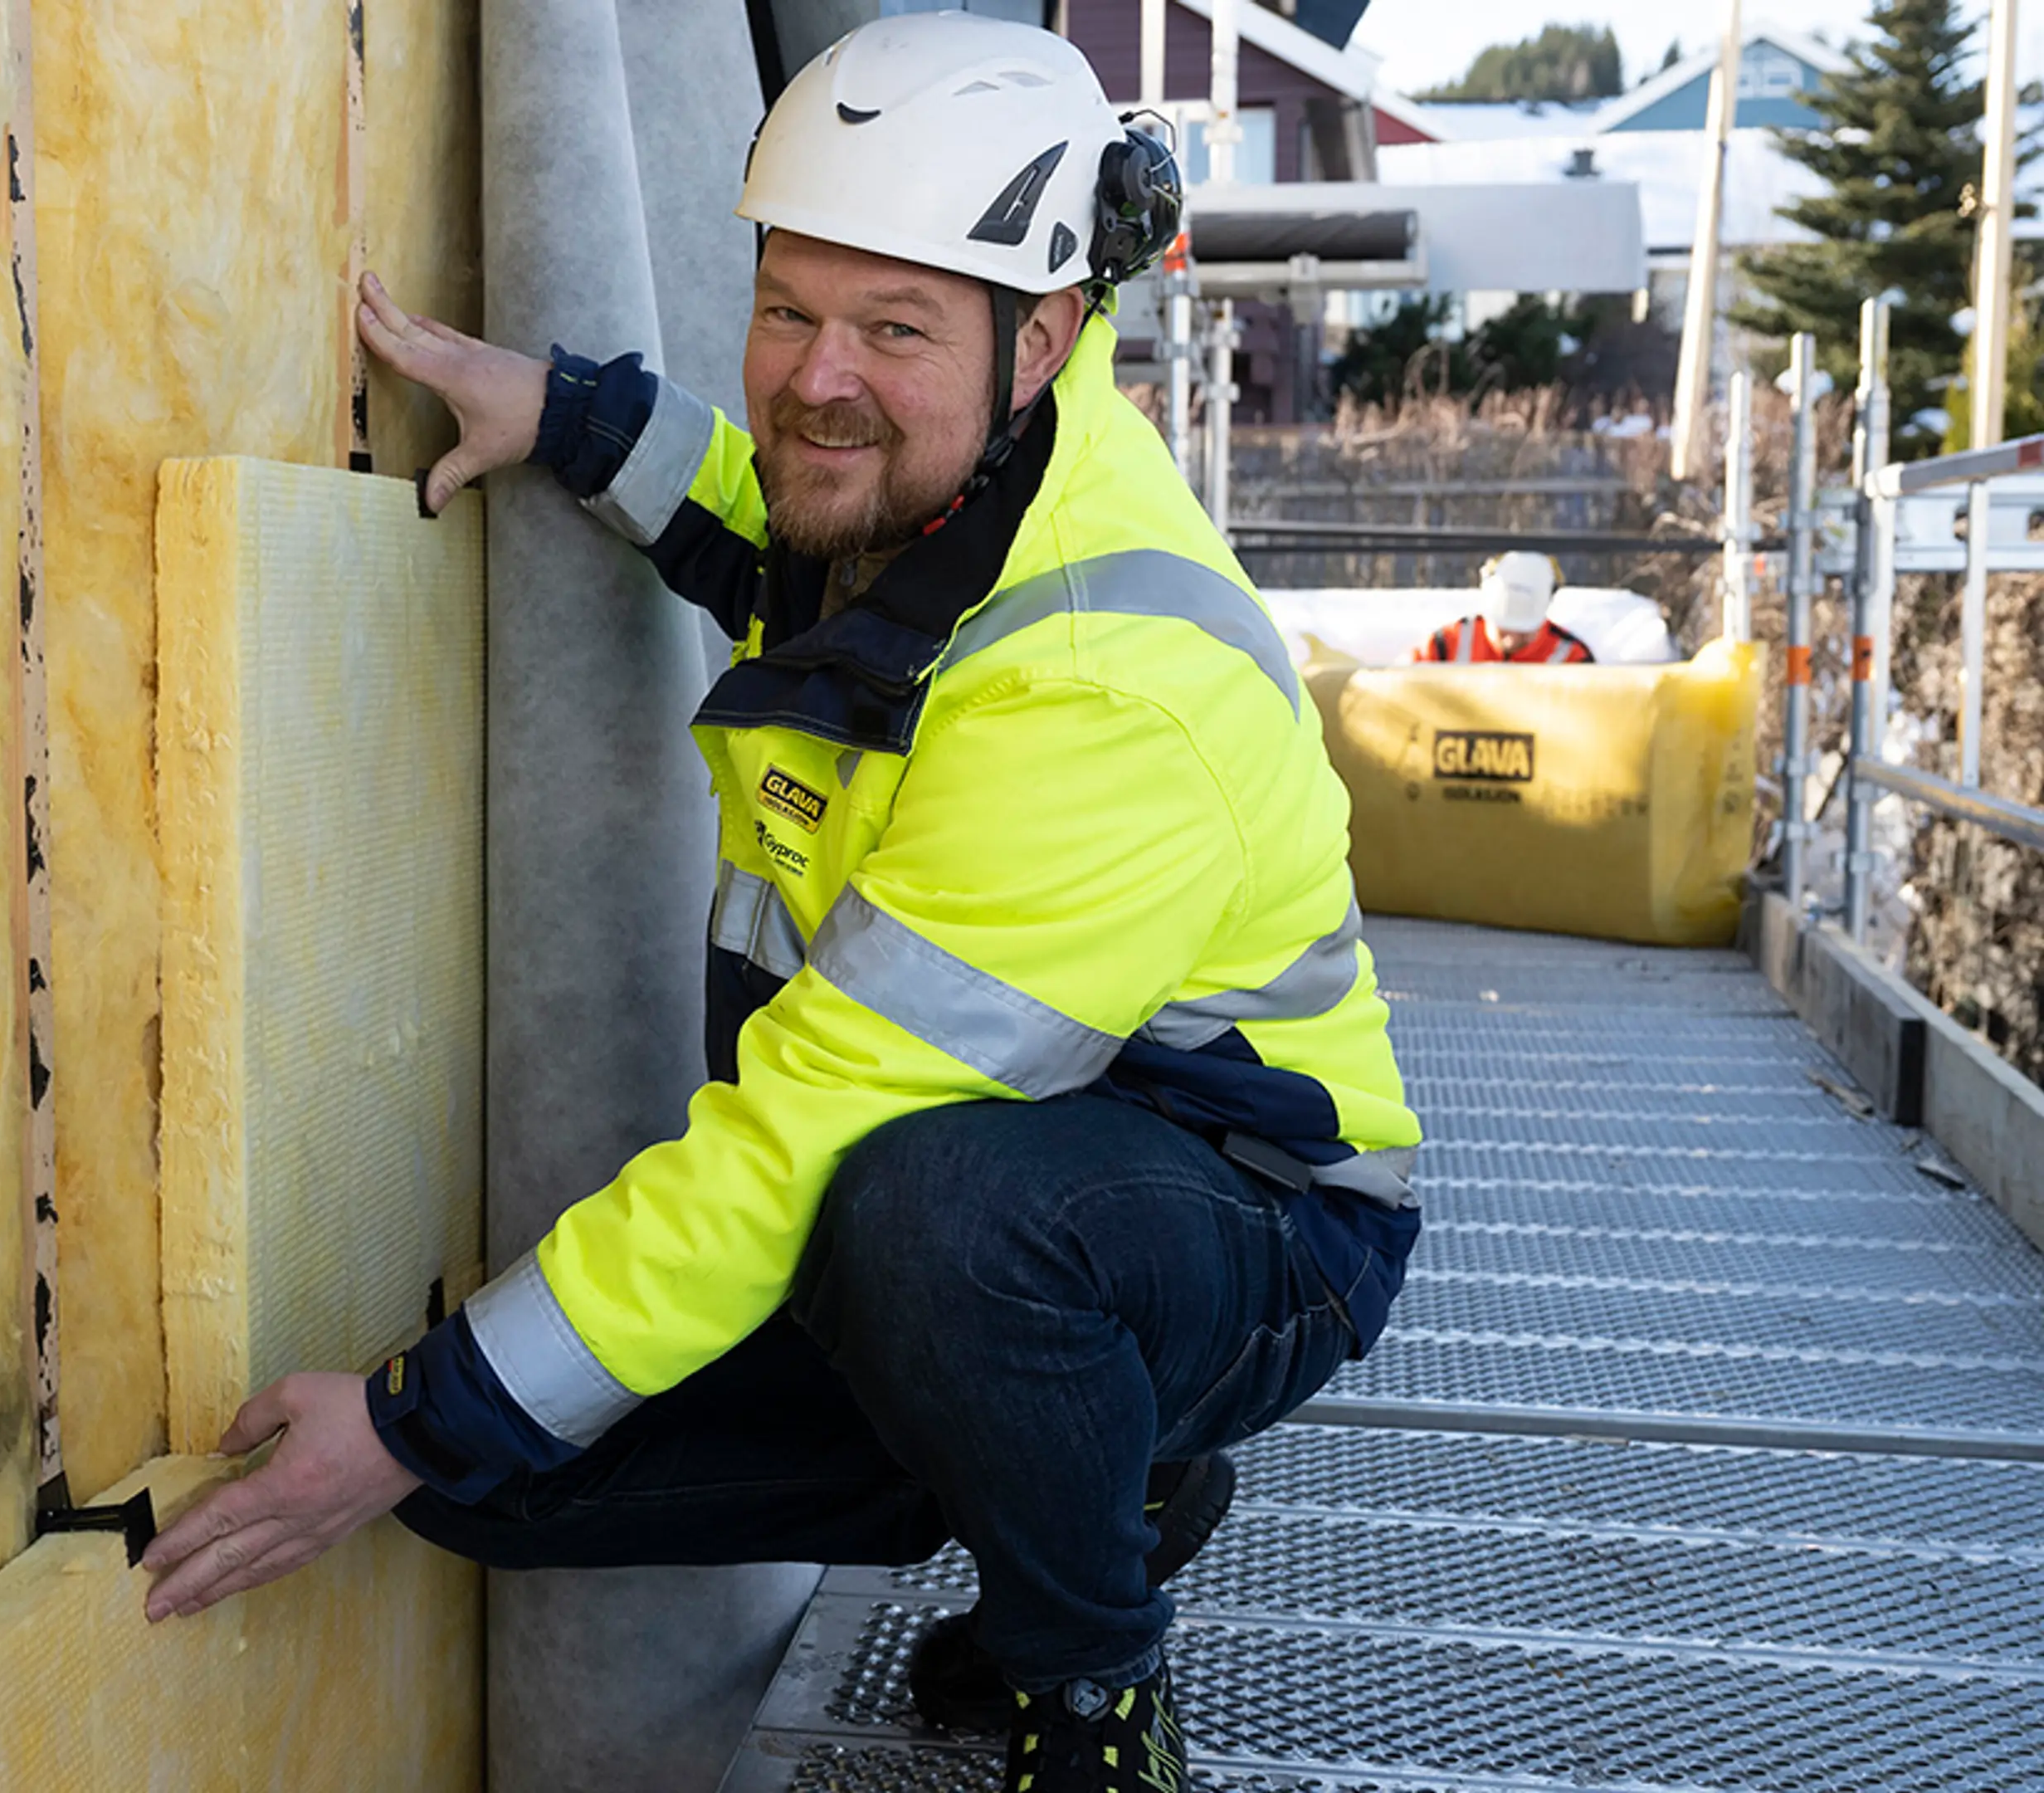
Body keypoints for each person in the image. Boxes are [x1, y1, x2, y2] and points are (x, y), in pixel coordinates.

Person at [136, 17, 1419, 1789]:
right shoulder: (940, 481)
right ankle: (1089, 1464)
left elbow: (808, 1139)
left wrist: (408, 1418)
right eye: (790, 308)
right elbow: (776, 524)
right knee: (507, 1489)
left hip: (1240, 1207)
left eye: (894, 329)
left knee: (924, 1224)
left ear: (1041, 336)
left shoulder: (1099, 681)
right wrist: (578, 420)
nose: (820, 375)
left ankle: (1093, 1676)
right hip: (931, 1175)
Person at [1416, 550, 1596, 664]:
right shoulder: (1443, 647)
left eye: (1524, 633)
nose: (1511, 641)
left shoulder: (1572, 659)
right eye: (1503, 630)